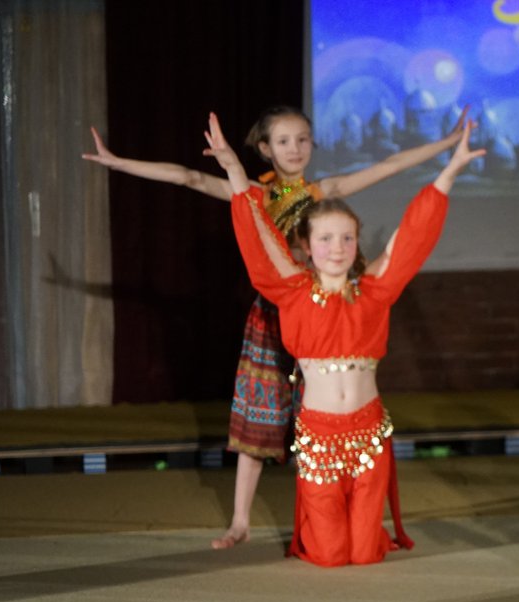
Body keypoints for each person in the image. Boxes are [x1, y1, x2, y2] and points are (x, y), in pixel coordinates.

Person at [84, 107, 469, 550]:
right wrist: (119, 163)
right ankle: (240, 521)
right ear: (265, 148)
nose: (295, 149)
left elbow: (390, 165)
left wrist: (447, 145)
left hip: (329, 313)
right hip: (278, 313)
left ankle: (341, 514)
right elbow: (188, 178)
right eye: (284, 141)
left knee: (334, 411)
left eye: (303, 139)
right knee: (259, 418)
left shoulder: (324, 191)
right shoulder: (254, 193)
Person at [201, 112, 483, 567]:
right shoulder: (291, 293)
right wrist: (234, 170)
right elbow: (259, 239)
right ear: (307, 246)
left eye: (347, 238)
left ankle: (367, 531)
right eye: (327, 239)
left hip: (369, 434)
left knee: (366, 554)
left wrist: (449, 172)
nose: (337, 248)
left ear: (356, 243)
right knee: (330, 555)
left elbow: (412, 236)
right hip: (319, 437)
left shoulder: (374, 292)